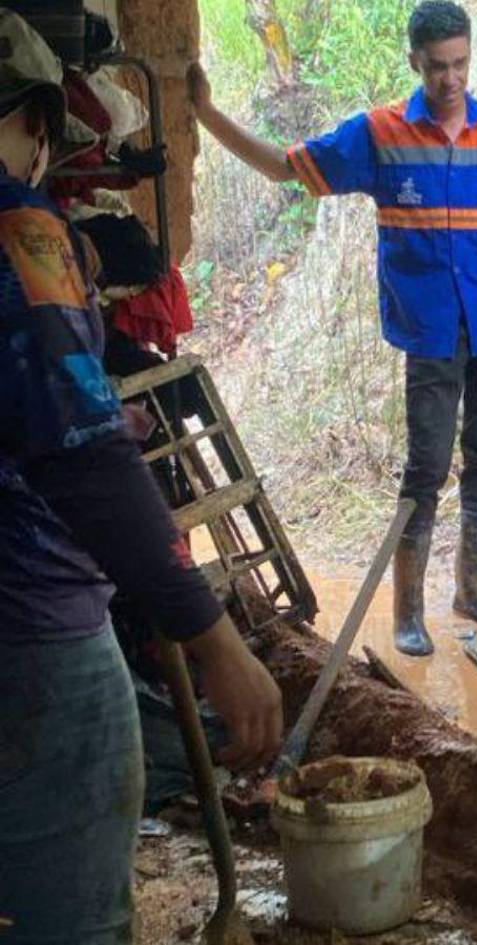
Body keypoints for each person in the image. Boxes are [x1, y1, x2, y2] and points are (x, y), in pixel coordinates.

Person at [0, 11, 282, 942]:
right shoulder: (20, 233)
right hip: (31, 634)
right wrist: (214, 639)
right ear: (37, 123)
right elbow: (79, 454)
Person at [188, 0, 477, 658]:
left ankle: (474, 593)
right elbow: (286, 166)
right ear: (414, 61)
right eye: (439, 67)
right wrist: (206, 114)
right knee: (424, 470)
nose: (452, 79)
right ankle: (407, 613)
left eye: (462, 64)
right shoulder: (379, 135)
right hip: (429, 333)